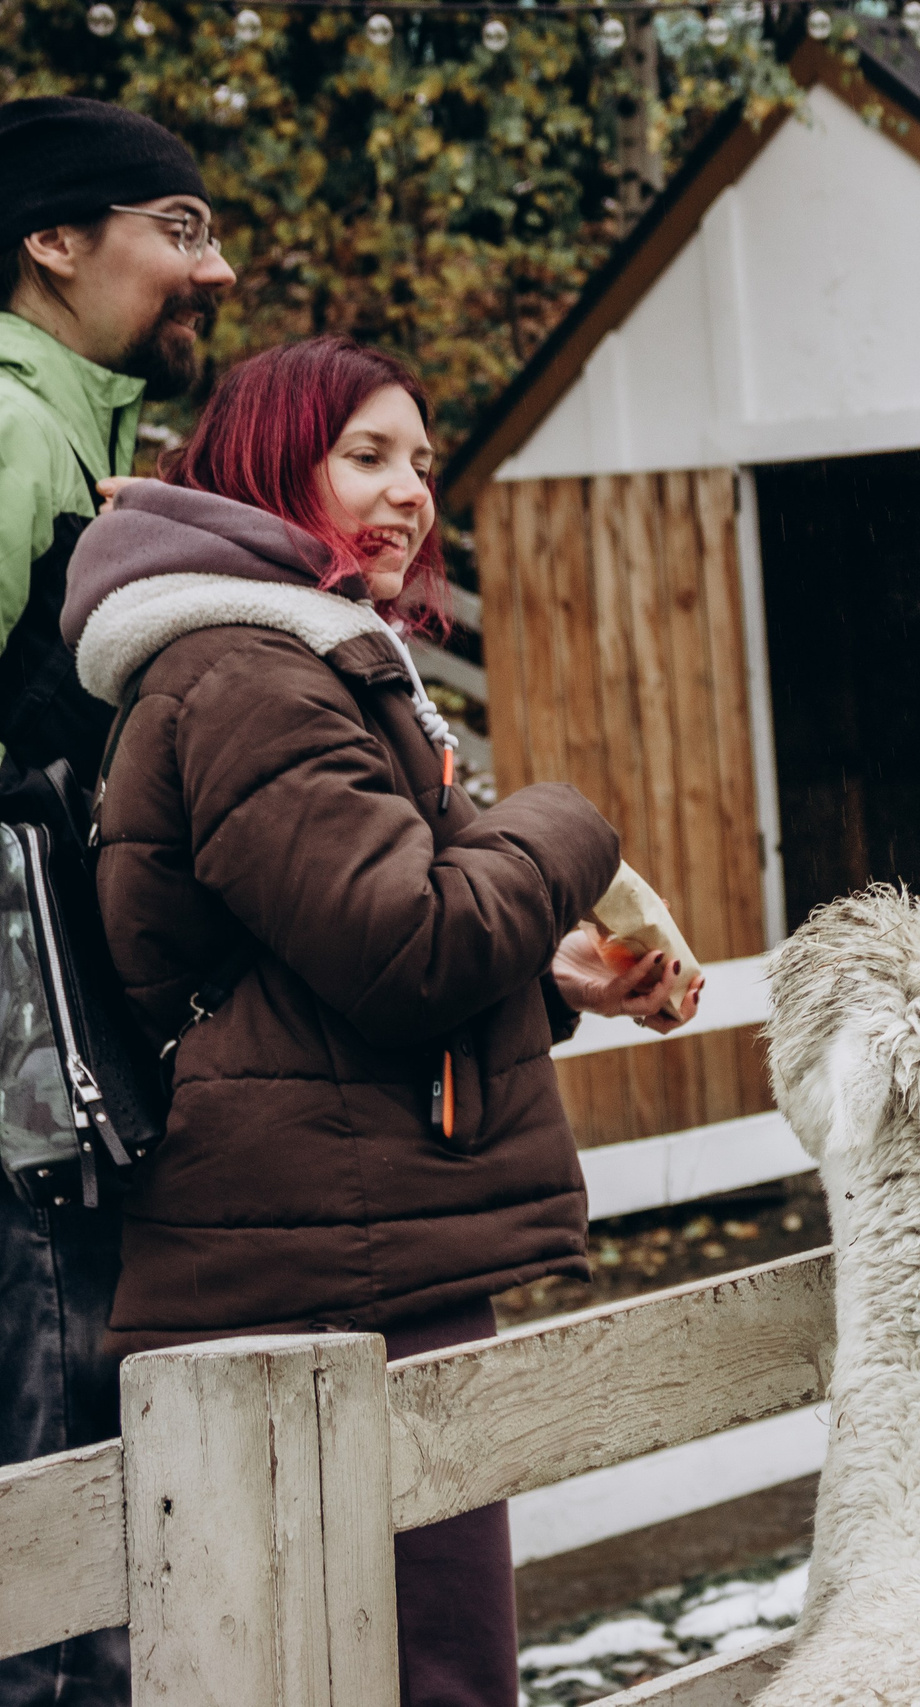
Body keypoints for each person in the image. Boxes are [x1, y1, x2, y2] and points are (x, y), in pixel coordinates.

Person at [62, 337, 697, 1707]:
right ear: (263, 468)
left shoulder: (293, 665)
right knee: (431, 1674)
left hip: (341, 1240)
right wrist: (569, 822)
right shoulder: (248, 673)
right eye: (366, 454)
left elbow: (313, 964)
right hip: (326, 1273)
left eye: (421, 458)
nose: (410, 490)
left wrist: (547, 981)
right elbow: (406, 948)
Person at [0, 94, 234, 1707]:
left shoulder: (81, 432)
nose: (214, 267)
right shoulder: (13, 426)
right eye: (181, 227)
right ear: (55, 240)